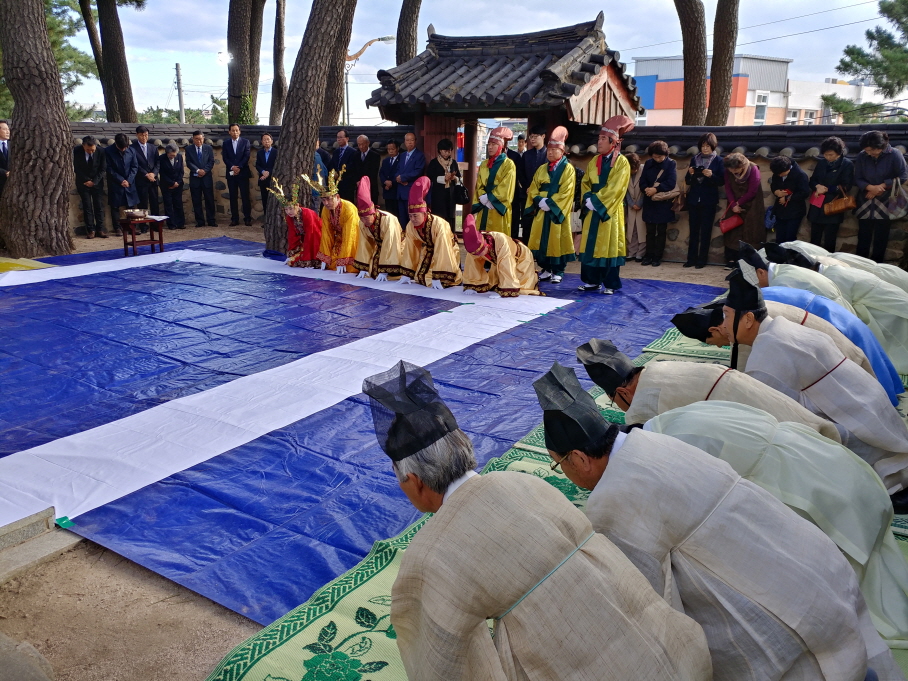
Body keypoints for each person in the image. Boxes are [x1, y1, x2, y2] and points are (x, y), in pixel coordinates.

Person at [534, 362, 900, 681]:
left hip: (787, 618)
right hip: (820, 568)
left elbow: (642, 596)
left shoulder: (612, 498)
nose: (565, 474)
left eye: (559, 464)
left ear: (578, 458)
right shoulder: (654, 440)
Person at [363, 360, 714, 681]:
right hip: (678, 651)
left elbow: (439, 662)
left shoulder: (430, 554)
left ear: (414, 482)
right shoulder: (526, 483)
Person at [645, 400, 908, 649]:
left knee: (842, 581)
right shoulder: (673, 417)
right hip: (834, 461)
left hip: (818, 493)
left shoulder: (670, 450)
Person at [722, 266, 908, 498]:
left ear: (748, 319)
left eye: (726, 316)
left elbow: (770, 414)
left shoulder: (768, 352)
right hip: (877, 418)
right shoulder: (783, 327)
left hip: (866, 439)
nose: (723, 325)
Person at [576, 337, 843, 444]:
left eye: (615, 401)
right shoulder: (657, 367)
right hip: (745, 390)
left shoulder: (643, 405)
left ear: (622, 393)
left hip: (751, 418)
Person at [671, 297, 886, 396]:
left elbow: (751, 388)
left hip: (844, 377)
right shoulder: (743, 311)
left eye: (711, 343)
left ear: (714, 330)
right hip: (847, 364)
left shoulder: (744, 330)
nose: (719, 348)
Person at [764, 241, 908, 374]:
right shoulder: (830, 269)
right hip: (889, 300)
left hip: (889, 312)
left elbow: (846, 316)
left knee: (896, 353)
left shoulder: (831, 278)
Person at [761, 284, 905, 404]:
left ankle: (884, 400)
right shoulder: (764, 292)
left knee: (858, 364)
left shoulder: (763, 303)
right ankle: (889, 394)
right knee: (870, 356)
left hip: (826, 319)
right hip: (834, 313)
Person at [578, 116, 635, 293]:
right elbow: (585, 182)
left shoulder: (621, 162)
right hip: (592, 207)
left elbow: (617, 188)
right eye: (599, 138)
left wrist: (596, 201)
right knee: (591, 244)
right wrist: (587, 198)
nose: (599, 142)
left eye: (603, 138)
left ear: (613, 142)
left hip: (609, 210)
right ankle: (591, 280)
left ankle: (610, 283)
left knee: (608, 246)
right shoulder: (594, 161)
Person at [737, 240, 856, 315]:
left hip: (838, 320)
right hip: (842, 315)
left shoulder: (782, 285)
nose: (758, 286)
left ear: (761, 272)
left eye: (755, 282)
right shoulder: (784, 270)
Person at [525, 126, 575, 285]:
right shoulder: (541, 168)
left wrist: (550, 203)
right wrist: (538, 200)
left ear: (562, 151)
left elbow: (567, 191)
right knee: (541, 239)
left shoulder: (568, 169)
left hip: (556, 211)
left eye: (554, 150)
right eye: (549, 149)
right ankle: (545, 268)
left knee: (557, 240)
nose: (550, 153)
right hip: (541, 208)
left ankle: (558, 270)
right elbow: (533, 187)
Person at [854, 130, 908, 262]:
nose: (868, 153)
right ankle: (860, 263)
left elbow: (903, 176)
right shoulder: (862, 156)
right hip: (866, 198)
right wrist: (870, 188)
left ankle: (877, 264)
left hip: (886, 200)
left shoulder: (894, 154)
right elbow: (857, 177)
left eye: (871, 150)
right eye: (866, 150)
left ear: (880, 146)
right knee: (863, 235)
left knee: (881, 236)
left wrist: (882, 186)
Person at [399, 176, 462, 289]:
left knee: (441, 281)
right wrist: (407, 273)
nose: (412, 219)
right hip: (429, 251)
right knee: (419, 277)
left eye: (415, 216)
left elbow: (443, 248)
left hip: (448, 252)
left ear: (424, 214)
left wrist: (439, 276)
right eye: (410, 216)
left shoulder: (439, 224)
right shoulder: (410, 226)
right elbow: (410, 248)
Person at [461, 213, 540, 296]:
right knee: (494, 280)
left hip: (521, 256)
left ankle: (507, 285)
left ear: (486, 244)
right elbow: (472, 265)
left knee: (522, 285)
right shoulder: (474, 245)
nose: (480, 255)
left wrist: (503, 291)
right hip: (500, 260)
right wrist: (472, 285)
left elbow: (506, 264)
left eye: (481, 252)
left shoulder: (501, 241)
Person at [301, 167, 358, 273]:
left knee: (350, 267)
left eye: (329, 199)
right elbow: (326, 233)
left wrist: (343, 259)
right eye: (323, 200)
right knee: (331, 264)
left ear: (337, 197)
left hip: (354, 240)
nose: (326, 203)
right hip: (339, 241)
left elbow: (350, 235)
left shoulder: (348, 209)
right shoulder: (325, 210)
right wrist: (325, 256)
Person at [684, 132, 724, 268]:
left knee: (706, 231)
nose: (705, 148)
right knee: (693, 230)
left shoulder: (718, 160)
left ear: (713, 146)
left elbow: (721, 181)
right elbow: (688, 181)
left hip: (709, 200)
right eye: (703, 146)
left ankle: (702, 260)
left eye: (708, 146)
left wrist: (712, 175)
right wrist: (690, 174)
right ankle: (691, 259)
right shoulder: (694, 159)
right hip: (694, 199)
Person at [809, 136, 855, 252]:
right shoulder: (821, 163)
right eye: (825, 154)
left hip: (833, 205)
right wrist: (817, 186)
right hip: (817, 204)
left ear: (839, 153)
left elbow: (846, 186)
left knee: (830, 239)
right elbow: (813, 180)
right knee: (814, 238)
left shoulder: (847, 164)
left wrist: (827, 189)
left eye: (831, 155)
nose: (828, 157)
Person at [353, 176, 403, 280]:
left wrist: (385, 269)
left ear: (373, 213)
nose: (364, 221)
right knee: (372, 271)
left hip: (398, 247)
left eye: (366, 218)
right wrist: (363, 266)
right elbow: (364, 244)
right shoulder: (362, 222)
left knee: (391, 273)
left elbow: (391, 243)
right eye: (361, 218)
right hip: (380, 248)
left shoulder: (388, 220)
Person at [722, 152, 765, 267]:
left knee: (750, 232)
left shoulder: (753, 169)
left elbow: (753, 191)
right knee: (733, 232)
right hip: (733, 204)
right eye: (731, 169)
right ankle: (731, 259)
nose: (733, 172)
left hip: (752, 204)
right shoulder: (728, 170)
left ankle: (747, 261)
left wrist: (739, 203)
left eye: (735, 169)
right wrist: (733, 205)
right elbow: (728, 188)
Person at [472, 126, 516, 235]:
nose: (490, 147)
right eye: (489, 144)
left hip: (498, 208)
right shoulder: (484, 164)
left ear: (501, 146)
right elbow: (479, 184)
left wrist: (490, 198)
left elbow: (507, 187)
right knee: (482, 237)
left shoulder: (508, 164)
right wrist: (483, 197)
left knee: (497, 238)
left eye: (494, 144)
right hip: (484, 205)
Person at [269, 179, 322, 268]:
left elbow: (311, 235)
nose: (288, 212)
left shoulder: (308, 214)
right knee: (292, 261)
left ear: (297, 205)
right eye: (286, 209)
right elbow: (292, 235)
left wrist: (306, 256)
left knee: (306, 262)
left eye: (291, 208)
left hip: (317, 239)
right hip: (305, 241)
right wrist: (292, 250)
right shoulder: (289, 217)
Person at [640, 140, 677, 267]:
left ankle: (657, 257)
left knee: (661, 230)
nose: (657, 159)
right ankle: (648, 255)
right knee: (650, 230)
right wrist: (646, 189)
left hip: (663, 202)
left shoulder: (671, 164)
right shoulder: (648, 163)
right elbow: (642, 180)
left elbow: (671, 182)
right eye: (655, 157)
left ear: (665, 154)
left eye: (660, 157)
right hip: (649, 200)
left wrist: (656, 189)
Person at [768, 156, 809, 244]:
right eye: (778, 174)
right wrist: (776, 192)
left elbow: (804, 193)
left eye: (781, 173)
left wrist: (788, 198)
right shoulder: (777, 173)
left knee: (790, 238)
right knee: (779, 237)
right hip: (780, 210)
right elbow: (773, 185)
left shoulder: (800, 175)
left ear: (788, 168)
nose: (780, 175)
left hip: (795, 211)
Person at [104, 132, 139, 235]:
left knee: (131, 205)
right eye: (121, 148)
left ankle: (132, 227)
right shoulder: (108, 151)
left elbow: (134, 167)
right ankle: (117, 228)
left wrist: (129, 180)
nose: (124, 150)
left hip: (129, 182)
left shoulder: (131, 150)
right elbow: (108, 168)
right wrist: (121, 180)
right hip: (115, 182)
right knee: (115, 206)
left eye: (125, 147)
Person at [73, 135, 107, 238]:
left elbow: (103, 169)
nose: (91, 152)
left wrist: (94, 181)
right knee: (87, 206)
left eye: (92, 150)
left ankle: (100, 229)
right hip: (83, 182)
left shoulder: (101, 151)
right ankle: (91, 230)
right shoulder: (77, 151)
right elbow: (76, 168)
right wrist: (86, 180)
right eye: (88, 150)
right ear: (83, 146)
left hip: (97, 182)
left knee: (99, 206)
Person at [519, 125, 548, 240]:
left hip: (543, 195)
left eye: (535, 136)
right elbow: (521, 174)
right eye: (531, 137)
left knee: (541, 225)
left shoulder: (549, 154)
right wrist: (527, 187)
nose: (532, 139)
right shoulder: (526, 155)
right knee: (527, 224)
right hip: (527, 194)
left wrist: (536, 189)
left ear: (543, 136)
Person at [424, 138, 461, 227]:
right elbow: (430, 177)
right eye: (445, 151)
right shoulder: (434, 162)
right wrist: (443, 178)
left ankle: (450, 234)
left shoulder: (453, 163)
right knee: (438, 217)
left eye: (449, 151)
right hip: (438, 194)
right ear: (440, 150)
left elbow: (459, 177)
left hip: (451, 194)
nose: (447, 153)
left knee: (450, 217)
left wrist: (454, 177)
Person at [222, 123, 252, 226]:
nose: (235, 132)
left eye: (236, 130)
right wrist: (232, 167)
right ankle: (234, 219)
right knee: (233, 196)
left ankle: (247, 218)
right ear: (229, 132)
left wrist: (239, 167)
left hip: (243, 172)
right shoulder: (226, 143)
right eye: (233, 130)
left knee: (245, 196)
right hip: (231, 173)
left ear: (239, 131)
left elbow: (246, 156)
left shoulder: (245, 142)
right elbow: (225, 157)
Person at [185, 130, 217, 228]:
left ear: (203, 138)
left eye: (200, 139)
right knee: (196, 200)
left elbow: (211, 161)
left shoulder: (208, 148)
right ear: (193, 139)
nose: (199, 141)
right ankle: (200, 221)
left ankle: (211, 220)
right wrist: (198, 170)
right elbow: (188, 162)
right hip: (195, 178)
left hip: (206, 177)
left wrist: (204, 171)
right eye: (196, 139)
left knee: (209, 200)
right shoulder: (189, 149)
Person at [395, 132, 426, 228]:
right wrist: (398, 178)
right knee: (402, 219)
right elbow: (397, 169)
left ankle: (412, 236)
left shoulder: (419, 155)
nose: (409, 142)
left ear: (415, 141)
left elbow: (418, 171)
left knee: (412, 219)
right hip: (401, 190)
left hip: (411, 189)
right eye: (407, 140)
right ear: (404, 142)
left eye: (412, 140)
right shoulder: (402, 155)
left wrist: (403, 177)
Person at [130, 125, 160, 216]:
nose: (144, 137)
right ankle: (143, 223)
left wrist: (153, 173)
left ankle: (155, 222)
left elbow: (157, 162)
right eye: (141, 135)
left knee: (155, 203)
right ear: (137, 135)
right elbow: (134, 164)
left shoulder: (153, 147)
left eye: (146, 135)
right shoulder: (132, 148)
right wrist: (146, 174)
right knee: (142, 204)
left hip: (153, 180)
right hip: (141, 180)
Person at [158, 143, 185, 231]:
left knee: (178, 203)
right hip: (166, 185)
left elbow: (181, 171)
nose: (173, 156)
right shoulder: (161, 158)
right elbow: (162, 173)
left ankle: (180, 223)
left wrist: (177, 182)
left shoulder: (179, 157)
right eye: (171, 155)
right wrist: (171, 183)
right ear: (167, 153)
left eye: (174, 155)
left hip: (178, 185)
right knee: (168, 204)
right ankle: (171, 224)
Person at [624, 152, 646, 261]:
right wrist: (631, 204)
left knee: (641, 229)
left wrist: (640, 203)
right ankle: (631, 252)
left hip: (642, 203)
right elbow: (625, 190)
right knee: (631, 229)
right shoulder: (623, 171)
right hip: (631, 204)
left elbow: (646, 188)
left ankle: (640, 253)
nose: (634, 170)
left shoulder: (644, 169)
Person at [330, 128, 357, 203]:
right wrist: (333, 173)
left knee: (347, 203)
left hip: (347, 183)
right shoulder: (336, 152)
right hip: (336, 184)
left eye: (341, 137)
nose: (338, 139)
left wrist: (339, 173)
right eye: (337, 137)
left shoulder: (353, 152)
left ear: (347, 138)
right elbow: (332, 164)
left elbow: (351, 167)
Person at [352, 134, 380, 203]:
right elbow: (354, 171)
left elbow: (373, 172)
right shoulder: (355, 155)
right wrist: (357, 181)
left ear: (368, 143)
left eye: (363, 144)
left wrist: (363, 182)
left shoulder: (375, 155)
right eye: (359, 144)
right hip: (359, 188)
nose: (361, 147)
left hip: (371, 187)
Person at [507, 136, 526, 238]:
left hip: (515, 189)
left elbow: (521, 174)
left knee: (515, 215)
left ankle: (514, 238)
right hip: (499, 192)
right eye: (519, 142)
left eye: (523, 142)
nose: (520, 143)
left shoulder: (515, 156)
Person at [255, 132, 277, 213]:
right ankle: (266, 218)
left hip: (273, 180)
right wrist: (263, 172)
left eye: (268, 139)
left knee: (274, 201)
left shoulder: (276, 152)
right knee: (264, 200)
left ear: (272, 141)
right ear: (262, 142)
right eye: (264, 140)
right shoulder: (260, 152)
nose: (266, 141)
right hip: (263, 180)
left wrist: (268, 173)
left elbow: (276, 165)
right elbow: (257, 165)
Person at [379, 139, 401, 218]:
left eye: (392, 149)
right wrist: (385, 182)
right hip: (387, 190)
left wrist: (391, 183)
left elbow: (400, 173)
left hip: (396, 190)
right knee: (388, 213)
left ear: (397, 148)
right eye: (389, 149)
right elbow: (381, 173)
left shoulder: (402, 159)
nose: (390, 151)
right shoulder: (386, 160)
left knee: (397, 214)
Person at [0, 120, 9, 201]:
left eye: (8, 129)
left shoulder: (14, 144)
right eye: (5, 129)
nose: (8, 131)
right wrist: (4, 172)